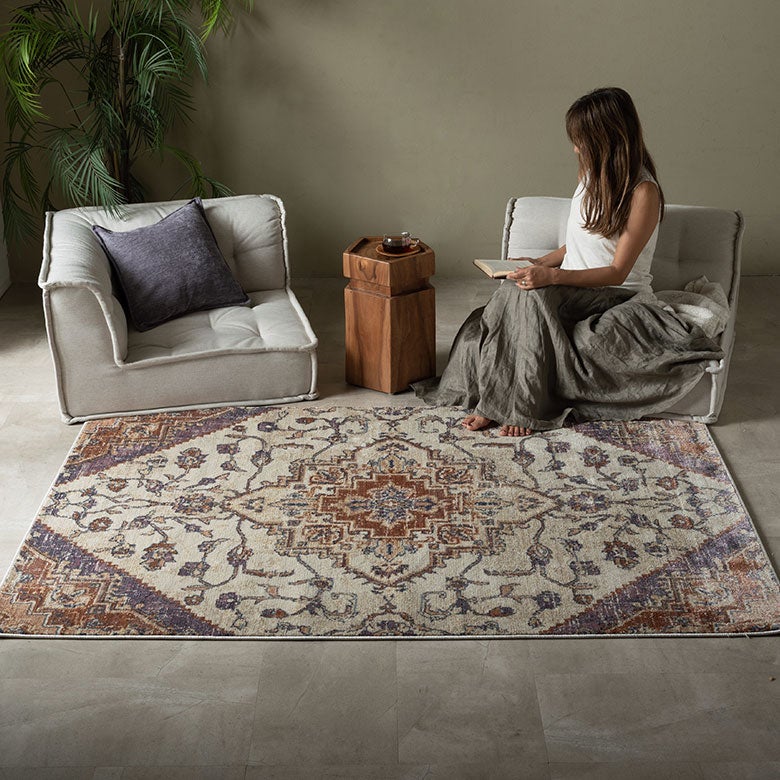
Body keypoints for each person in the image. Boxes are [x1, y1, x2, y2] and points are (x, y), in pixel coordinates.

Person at [414, 87, 723, 436]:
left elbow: (616, 271)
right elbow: (581, 240)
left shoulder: (643, 192)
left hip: (615, 295)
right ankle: (506, 404)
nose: (575, 148)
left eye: (581, 140)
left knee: (528, 297)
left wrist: (552, 277)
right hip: (574, 290)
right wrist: (542, 261)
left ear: (606, 138)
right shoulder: (589, 176)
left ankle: (517, 409)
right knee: (517, 291)